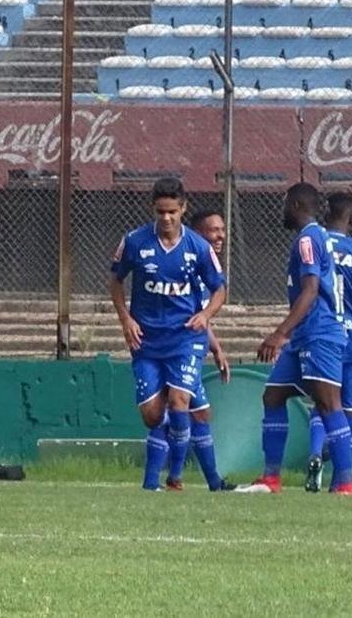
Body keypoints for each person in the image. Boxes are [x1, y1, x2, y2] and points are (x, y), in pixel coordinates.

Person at [237, 183, 352, 496]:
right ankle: (271, 478)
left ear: (295, 205)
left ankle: (346, 482)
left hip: (319, 333)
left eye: (284, 204)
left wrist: (280, 333)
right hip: (305, 335)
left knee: (329, 403)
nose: (281, 211)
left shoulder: (308, 238)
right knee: (273, 396)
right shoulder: (314, 237)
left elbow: (311, 289)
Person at [110, 178, 226, 491]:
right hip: (146, 339)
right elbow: (116, 281)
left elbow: (219, 289)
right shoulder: (135, 241)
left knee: (180, 402)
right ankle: (168, 476)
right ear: (153, 209)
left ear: (183, 209)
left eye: (172, 211)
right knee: (152, 414)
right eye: (160, 211)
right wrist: (126, 319)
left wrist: (205, 315)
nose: (166, 218)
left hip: (185, 339)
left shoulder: (198, 248)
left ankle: (173, 478)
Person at [305, 192, 352, 492]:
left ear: (325, 215)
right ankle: (340, 479)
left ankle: (315, 451)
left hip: (321, 333)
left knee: (323, 403)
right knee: (348, 410)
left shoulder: (313, 243)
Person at [186, 209, 236, 491]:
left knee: (189, 412)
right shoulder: (192, 261)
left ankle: (179, 479)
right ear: (197, 233)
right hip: (177, 348)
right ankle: (169, 480)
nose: (220, 236)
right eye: (213, 230)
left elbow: (200, 316)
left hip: (191, 347)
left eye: (222, 230)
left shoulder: (206, 264)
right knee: (187, 412)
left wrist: (216, 349)